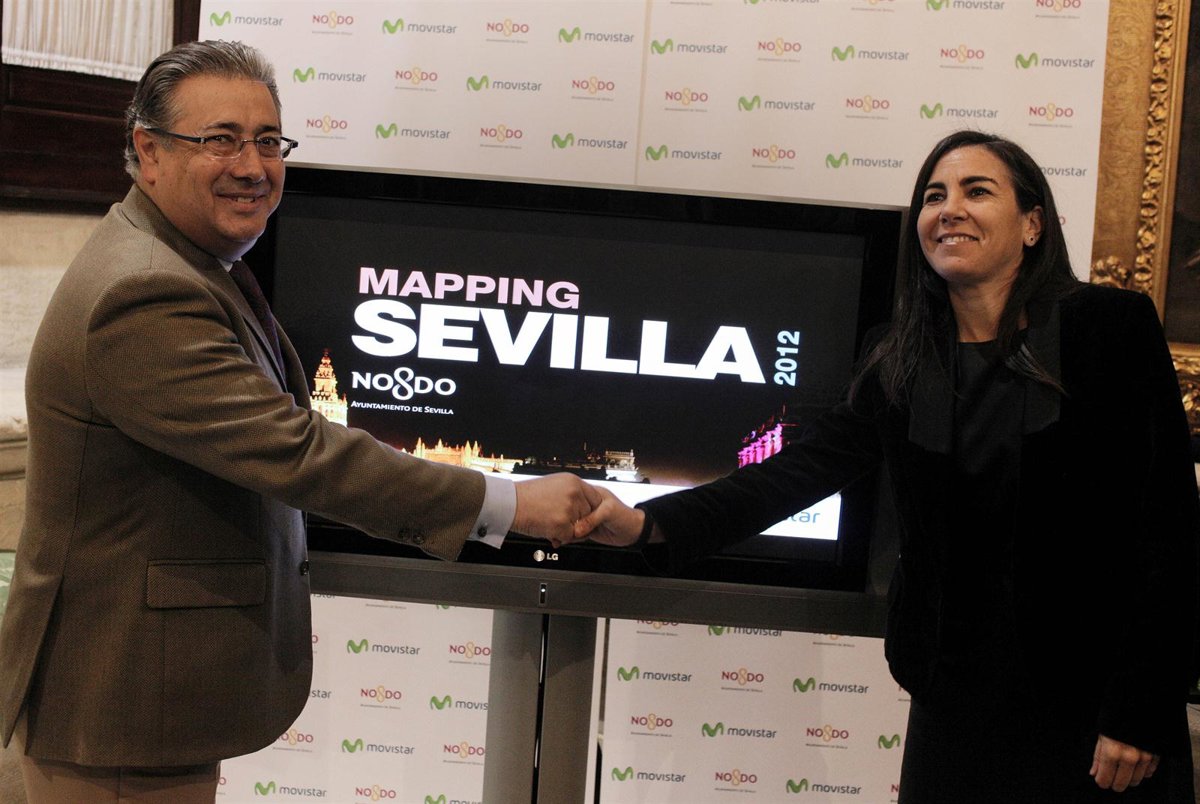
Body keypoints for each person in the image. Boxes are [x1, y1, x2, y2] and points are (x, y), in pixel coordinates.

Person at [0, 40, 599, 803]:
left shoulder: (188, 259)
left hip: (145, 700)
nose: (252, 166)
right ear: (148, 151)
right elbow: (300, 453)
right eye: (220, 139)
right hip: (120, 703)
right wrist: (509, 503)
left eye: (267, 141)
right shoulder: (144, 290)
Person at [575, 130, 1200, 803]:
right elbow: (792, 475)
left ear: (1032, 225)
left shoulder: (1108, 329)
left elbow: (1169, 530)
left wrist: (1141, 708)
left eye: (976, 191)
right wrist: (647, 525)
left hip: (1099, 714)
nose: (949, 209)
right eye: (934, 196)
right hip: (953, 706)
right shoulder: (897, 358)